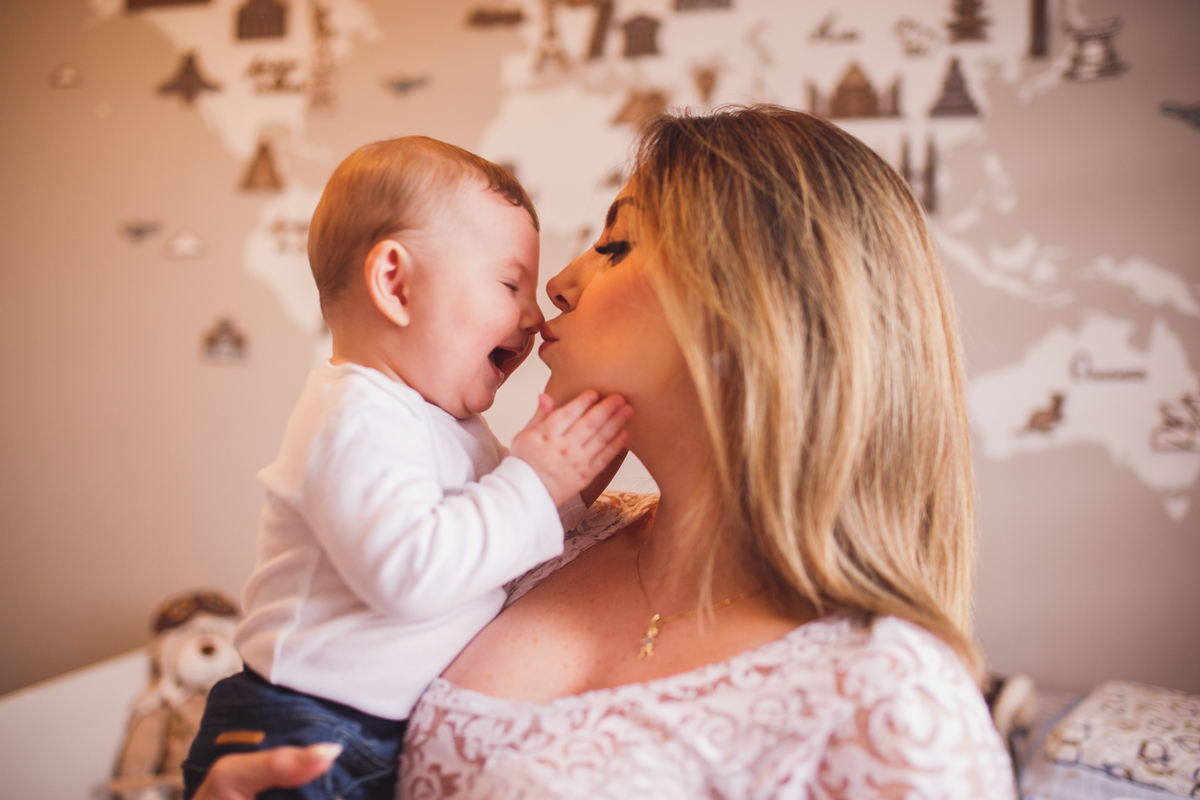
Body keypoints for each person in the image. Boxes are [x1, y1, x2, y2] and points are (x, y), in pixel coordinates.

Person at [193, 107, 1015, 799]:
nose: (556, 285)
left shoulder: (894, 695)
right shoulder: (556, 539)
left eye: (616, 247)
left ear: (747, 319)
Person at [182, 137, 632, 800]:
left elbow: (495, 550)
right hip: (296, 727)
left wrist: (572, 481)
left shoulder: (446, 424)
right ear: (394, 283)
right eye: (510, 284)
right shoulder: (356, 415)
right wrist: (536, 479)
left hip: (364, 728)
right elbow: (412, 572)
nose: (533, 317)